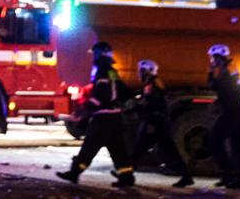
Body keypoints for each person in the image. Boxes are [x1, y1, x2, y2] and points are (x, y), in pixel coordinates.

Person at [56, 41, 134, 187]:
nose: (94, 57)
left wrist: (84, 110)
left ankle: (74, 173)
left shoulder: (101, 71)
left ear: (99, 54)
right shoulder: (112, 71)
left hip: (103, 118)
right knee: (117, 148)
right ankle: (127, 176)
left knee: (90, 145)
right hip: (115, 116)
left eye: (95, 53)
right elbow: (123, 90)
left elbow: (99, 95)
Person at [129, 60, 194, 188]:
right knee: (157, 150)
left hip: (155, 123)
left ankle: (126, 175)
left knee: (140, 149)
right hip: (156, 123)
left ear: (147, 72)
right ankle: (186, 176)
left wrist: (149, 121)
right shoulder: (152, 83)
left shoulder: (153, 84)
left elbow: (154, 105)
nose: (139, 74)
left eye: (141, 71)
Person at [207, 44, 240, 190]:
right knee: (216, 141)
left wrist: (211, 74)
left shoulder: (229, 71)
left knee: (236, 146)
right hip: (230, 112)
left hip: (234, 113)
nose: (211, 61)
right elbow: (221, 89)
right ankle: (228, 175)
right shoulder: (225, 70)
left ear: (219, 58)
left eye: (213, 58)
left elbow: (234, 90)